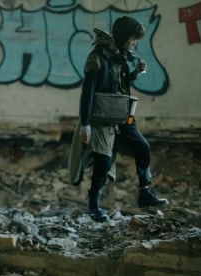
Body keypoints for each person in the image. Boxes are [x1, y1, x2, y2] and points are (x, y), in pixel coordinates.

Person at [72, 16, 168, 222]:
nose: (134, 43)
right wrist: (86, 124)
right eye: (133, 38)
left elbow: (119, 83)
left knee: (142, 147)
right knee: (103, 162)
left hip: (123, 116)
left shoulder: (120, 55)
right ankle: (93, 206)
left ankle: (145, 192)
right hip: (100, 118)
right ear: (124, 36)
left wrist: (135, 73)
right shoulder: (97, 57)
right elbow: (87, 93)